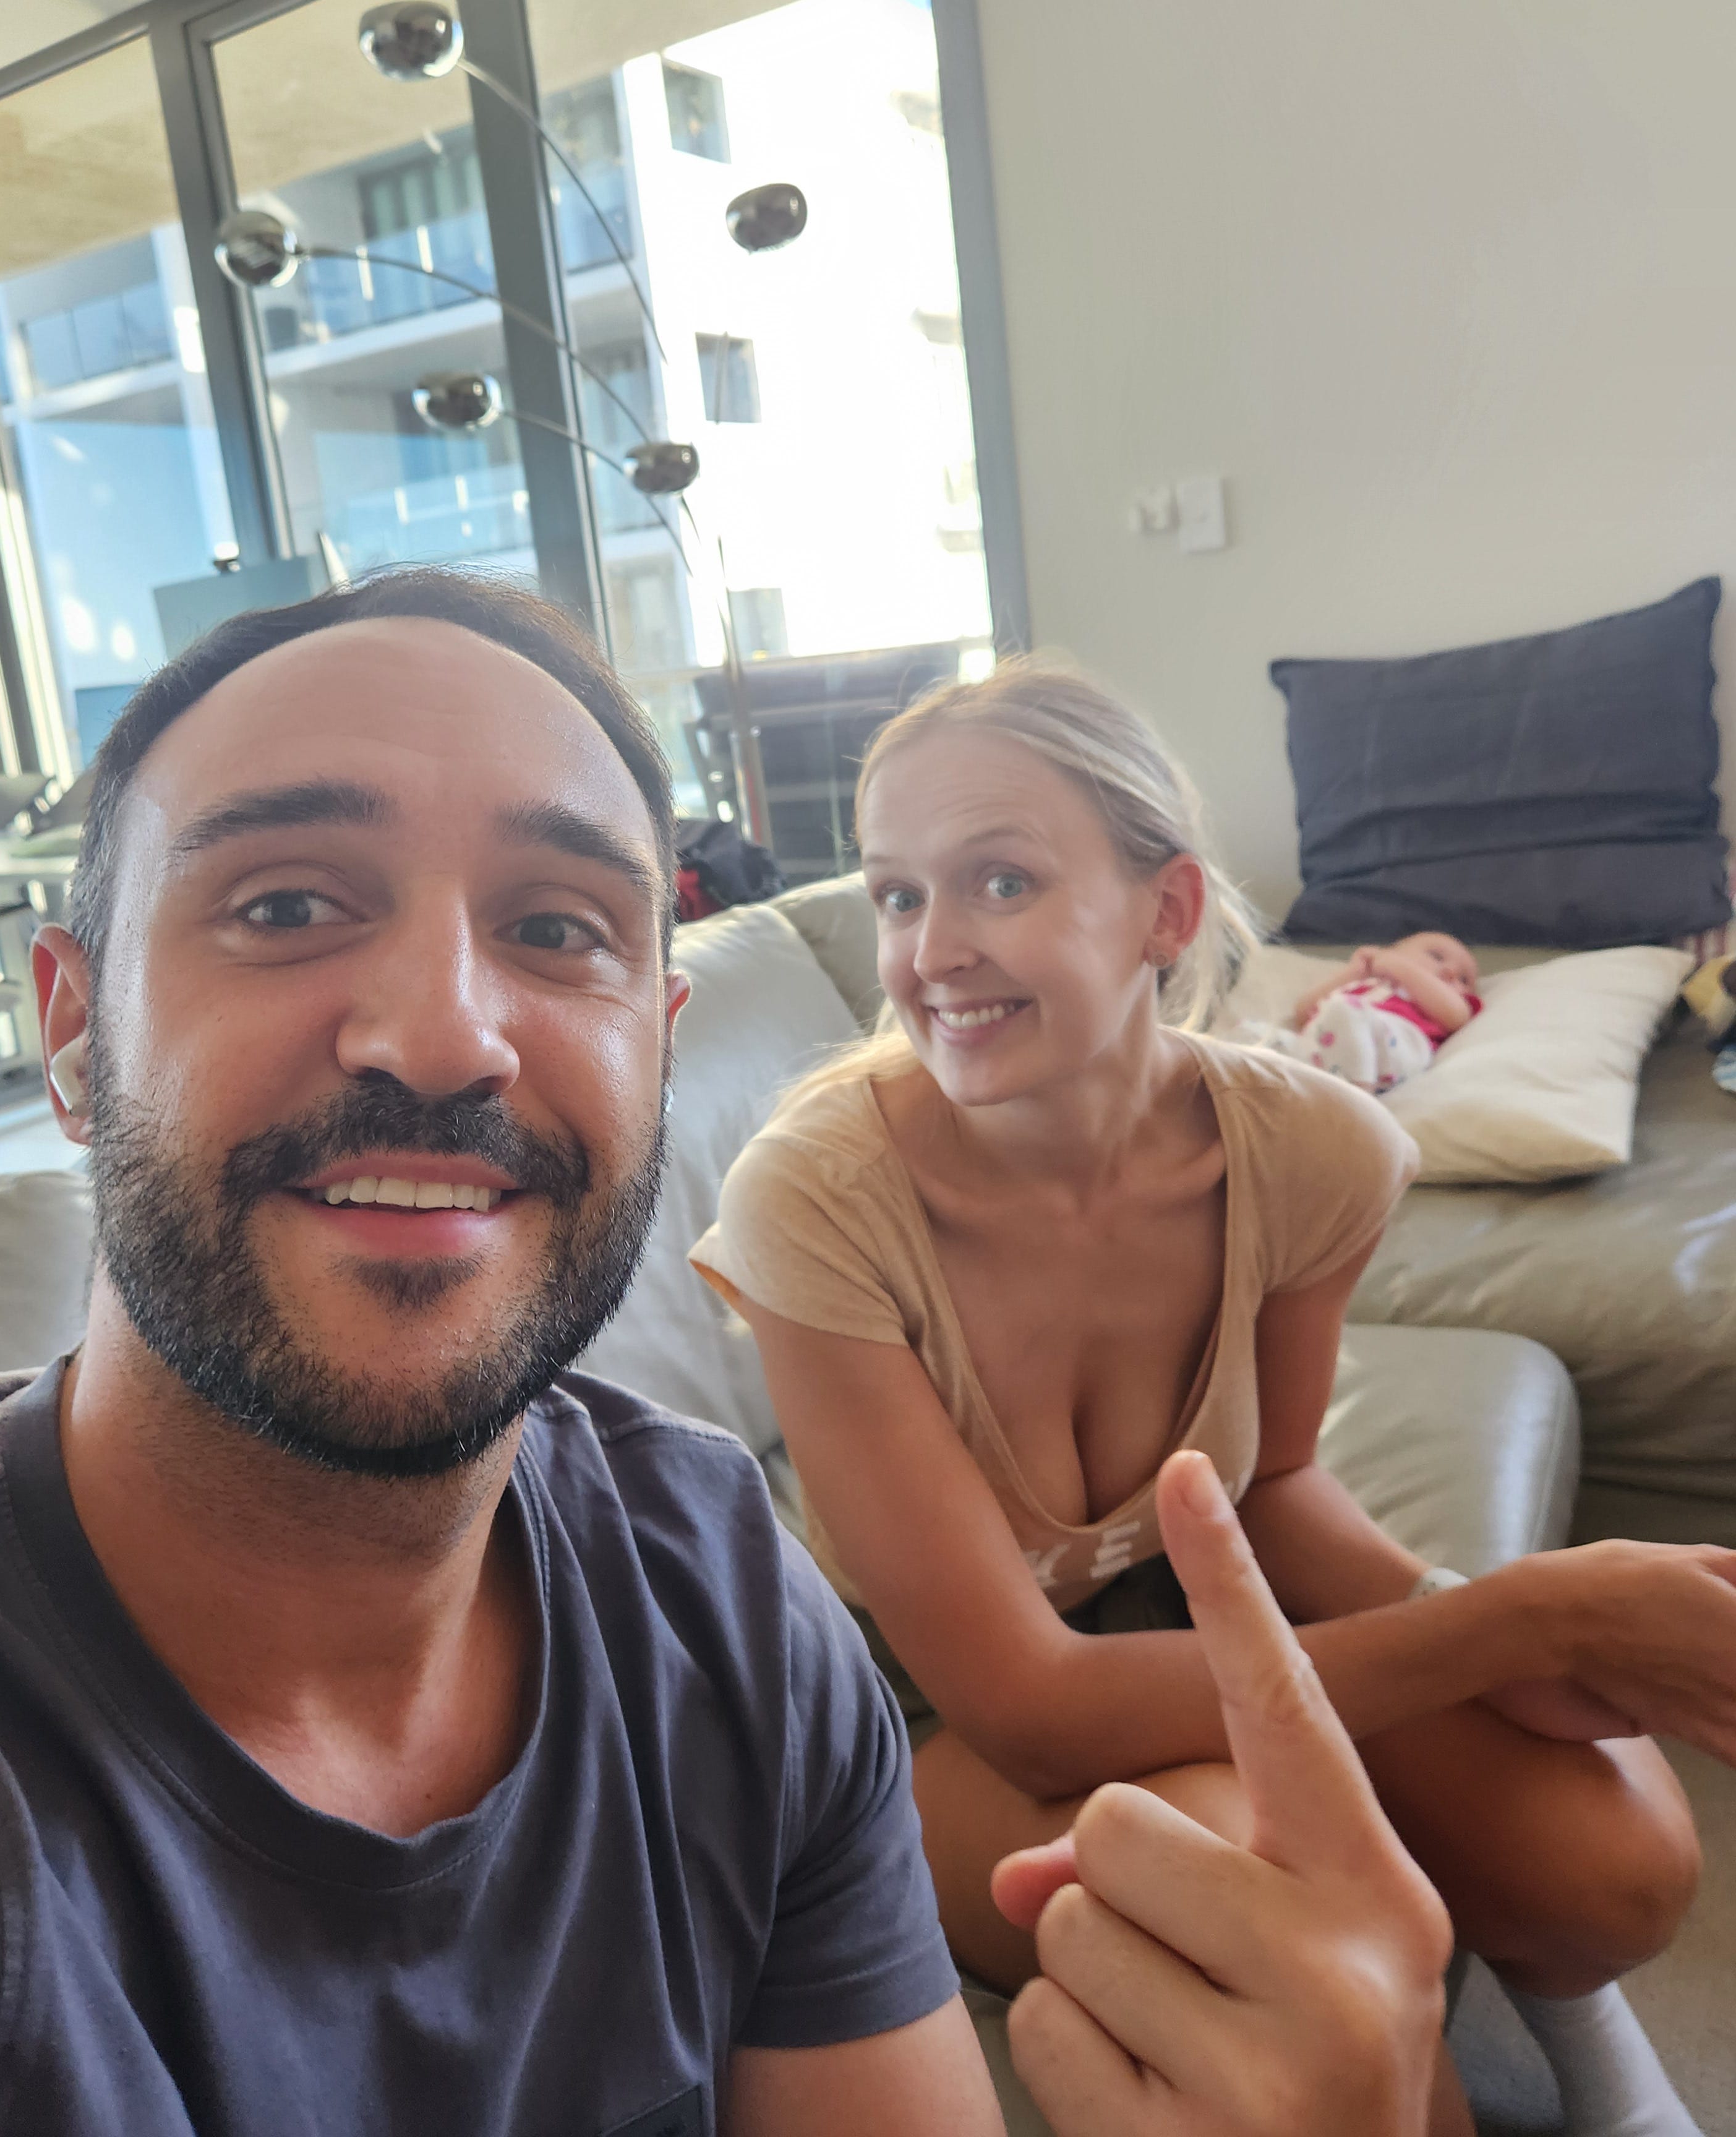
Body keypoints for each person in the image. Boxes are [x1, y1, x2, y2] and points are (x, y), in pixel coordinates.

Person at [0, 573, 1447, 2137]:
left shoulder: (725, 1605)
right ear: (72, 1030)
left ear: (661, 1043)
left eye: (556, 928)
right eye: (286, 906)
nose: (447, 1034)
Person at [692, 654, 1726, 2137]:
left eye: (998, 880)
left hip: (1181, 1601)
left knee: (1616, 1856)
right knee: (1263, 1897)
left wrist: (1468, 1642)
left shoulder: (1313, 1149)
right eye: (898, 895)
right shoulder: (814, 1197)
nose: (930, 952)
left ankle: (1596, 2063)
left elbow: (1276, 1486)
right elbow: (1031, 1710)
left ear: (1165, 911)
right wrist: (1524, 1619)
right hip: (914, 1716)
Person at [1265, 933, 1482, 1094]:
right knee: (1264, 1038)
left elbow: (1457, 1017)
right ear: (1392, 950)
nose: (1451, 971)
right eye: (1436, 956)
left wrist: (1400, 967)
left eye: (1464, 979)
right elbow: (1303, 1014)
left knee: (1345, 1010)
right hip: (1325, 1052)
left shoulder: (1442, 1001)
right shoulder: (1363, 985)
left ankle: (1357, 1095)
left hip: (1395, 1047)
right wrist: (1352, 974)